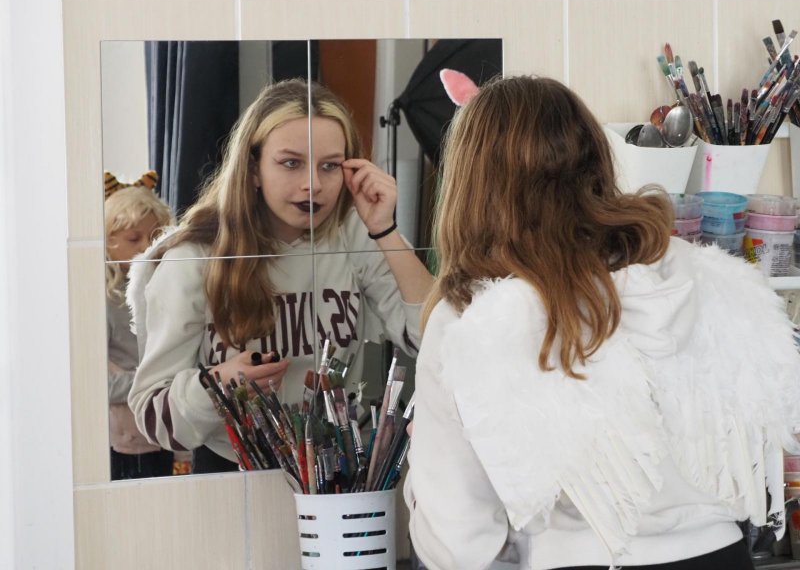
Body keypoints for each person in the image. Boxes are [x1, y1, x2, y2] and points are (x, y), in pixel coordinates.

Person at [404, 76, 800, 570]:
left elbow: (457, 543)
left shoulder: (471, 315)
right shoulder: (704, 274)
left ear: (471, 185)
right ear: (596, 161)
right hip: (720, 554)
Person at [127, 79, 433, 474]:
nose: (313, 184)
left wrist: (385, 230)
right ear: (253, 168)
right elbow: (154, 418)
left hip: (343, 467)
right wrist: (220, 384)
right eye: (291, 163)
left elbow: (435, 335)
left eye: (329, 166)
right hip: (231, 471)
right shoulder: (192, 259)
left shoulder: (355, 235)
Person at [104, 175, 175, 480]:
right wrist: (155, 381)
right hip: (125, 438)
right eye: (134, 239)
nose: (147, 247)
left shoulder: (160, 286)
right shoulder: (102, 301)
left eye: (155, 237)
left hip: (161, 429)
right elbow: (96, 385)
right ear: (107, 241)